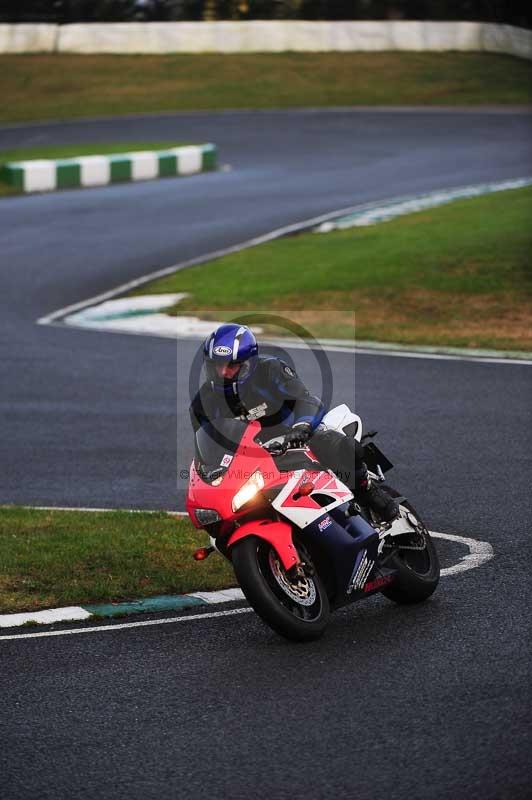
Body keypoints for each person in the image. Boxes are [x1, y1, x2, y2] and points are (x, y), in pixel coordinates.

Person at [190, 323, 399, 522]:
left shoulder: (271, 370)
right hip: (254, 461)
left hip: (298, 438)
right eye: (216, 366)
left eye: (231, 367)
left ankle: (368, 490)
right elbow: (207, 449)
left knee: (345, 448)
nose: (223, 373)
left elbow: (306, 399)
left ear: (248, 364)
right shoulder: (202, 403)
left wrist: (302, 428)